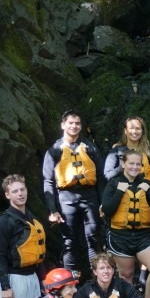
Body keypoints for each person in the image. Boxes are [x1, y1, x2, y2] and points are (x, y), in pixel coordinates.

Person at [42, 110, 103, 272]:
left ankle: (97, 279)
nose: (74, 126)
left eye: (77, 123)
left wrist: (103, 203)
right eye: (71, 123)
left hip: (90, 197)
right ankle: (71, 283)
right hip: (66, 199)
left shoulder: (90, 147)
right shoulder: (55, 149)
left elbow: (101, 177)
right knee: (69, 242)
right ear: (63, 125)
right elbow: (48, 181)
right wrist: (52, 210)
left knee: (94, 239)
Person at [102, 149, 150, 298]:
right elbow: (107, 210)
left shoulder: (147, 184)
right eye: (131, 163)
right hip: (120, 236)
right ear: (123, 164)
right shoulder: (113, 184)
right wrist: (119, 193)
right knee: (126, 275)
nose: (135, 167)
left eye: (138, 164)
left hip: (144, 236)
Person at [103, 116, 150, 186]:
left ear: (142, 131)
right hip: (123, 193)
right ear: (125, 130)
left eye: (138, 128)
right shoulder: (116, 151)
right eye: (131, 128)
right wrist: (121, 167)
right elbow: (107, 176)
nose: (134, 131)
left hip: (146, 192)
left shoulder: (149, 151)